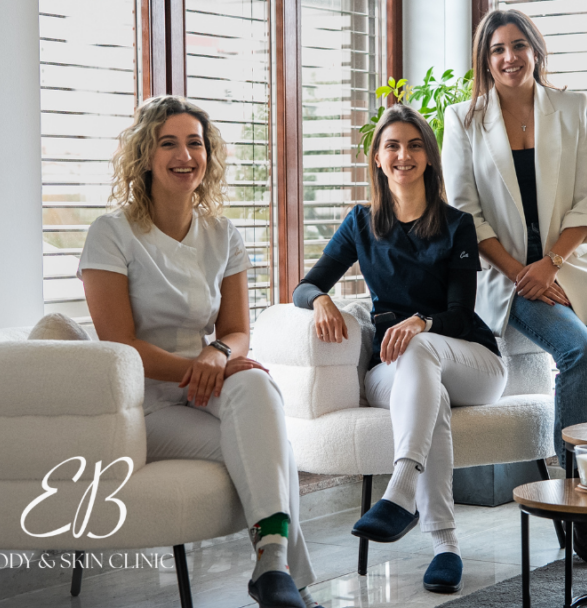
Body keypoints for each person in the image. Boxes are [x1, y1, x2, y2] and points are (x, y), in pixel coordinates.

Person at [79, 96, 318, 608]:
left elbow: (236, 331)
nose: (184, 155)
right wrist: (201, 365)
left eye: (195, 143)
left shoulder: (223, 233)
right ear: (145, 156)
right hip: (145, 406)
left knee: (254, 382)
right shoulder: (111, 234)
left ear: (209, 155)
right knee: (271, 443)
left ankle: (272, 563)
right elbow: (120, 345)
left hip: (206, 388)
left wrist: (217, 356)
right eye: (168, 143)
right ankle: (287, 582)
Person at [443, 8, 587, 565]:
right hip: (506, 275)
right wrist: (522, 272)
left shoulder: (571, 108)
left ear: (535, 50)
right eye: (497, 50)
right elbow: (465, 216)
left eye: (518, 45)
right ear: (485, 61)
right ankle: (578, 507)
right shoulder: (463, 120)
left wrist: (551, 263)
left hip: (575, 262)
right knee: (579, 353)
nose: (509, 58)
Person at [294, 104, 506, 594]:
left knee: (420, 346)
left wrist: (421, 321)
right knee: (429, 393)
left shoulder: (456, 224)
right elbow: (306, 286)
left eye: (413, 146)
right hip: (394, 370)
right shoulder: (360, 222)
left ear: (429, 157)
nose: (402, 155)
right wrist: (322, 301)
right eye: (391, 146)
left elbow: (460, 313)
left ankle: (401, 489)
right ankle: (446, 546)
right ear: (377, 158)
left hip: (472, 363)